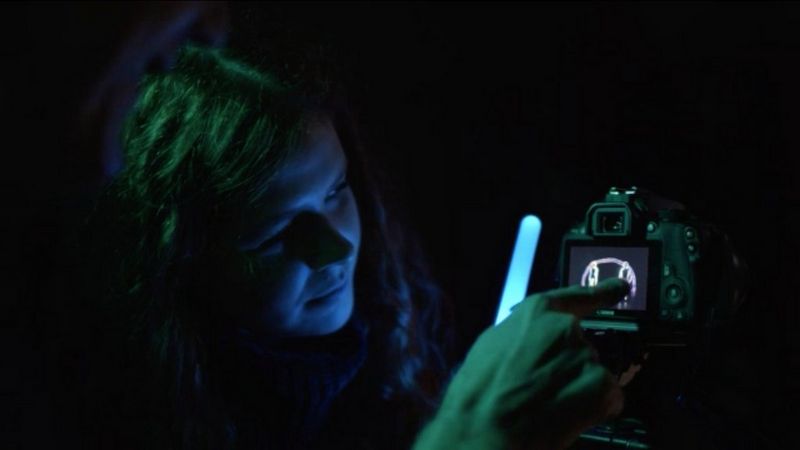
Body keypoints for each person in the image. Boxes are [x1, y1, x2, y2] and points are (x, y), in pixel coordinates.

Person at [67, 43, 630, 450]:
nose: (334, 249)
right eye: (273, 233)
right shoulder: (126, 422)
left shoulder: (393, 368)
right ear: (181, 261)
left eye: (336, 190)